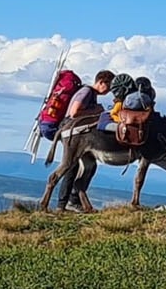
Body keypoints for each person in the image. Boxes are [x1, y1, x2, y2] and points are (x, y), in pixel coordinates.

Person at [45, 69, 116, 211]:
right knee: (70, 166)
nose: (109, 90)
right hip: (72, 131)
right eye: (108, 86)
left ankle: (72, 202)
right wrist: (96, 111)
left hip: (72, 131)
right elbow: (74, 112)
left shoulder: (89, 93)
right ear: (101, 82)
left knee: (84, 166)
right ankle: (64, 204)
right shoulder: (87, 92)